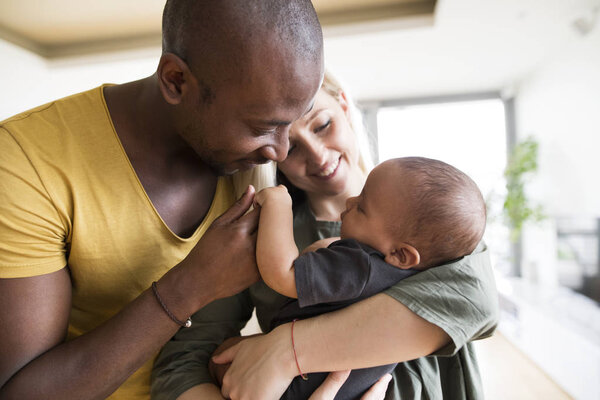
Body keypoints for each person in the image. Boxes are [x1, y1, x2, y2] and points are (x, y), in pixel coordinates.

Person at [0, 1, 326, 399]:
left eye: (295, 120)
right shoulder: (24, 162)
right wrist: (190, 286)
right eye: (262, 127)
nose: (280, 151)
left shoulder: (261, 162)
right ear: (175, 80)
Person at [151, 71, 498, 400]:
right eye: (291, 148)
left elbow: (475, 301)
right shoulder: (260, 236)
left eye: (323, 125)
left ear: (344, 104)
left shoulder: (435, 214)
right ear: (270, 154)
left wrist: (287, 350)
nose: (318, 157)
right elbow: (181, 364)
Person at [252, 156, 487, 399]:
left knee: (224, 358)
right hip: (324, 386)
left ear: (400, 254)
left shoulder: (360, 263)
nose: (350, 200)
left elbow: (283, 273)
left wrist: (277, 203)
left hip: (294, 388)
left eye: (362, 207)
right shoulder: (419, 276)